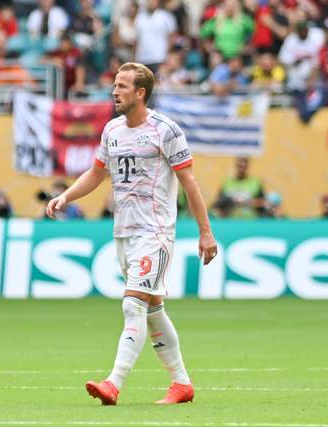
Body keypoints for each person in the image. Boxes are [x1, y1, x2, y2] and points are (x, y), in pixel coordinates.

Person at [46, 62, 217, 405]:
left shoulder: (165, 130)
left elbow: (189, 183)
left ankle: (113, 383)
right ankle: (182, 384)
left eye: (122, 86)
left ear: (140, 93)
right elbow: (96, 174)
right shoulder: (112, 130)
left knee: (132, 304)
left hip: (155, 232)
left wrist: (206, 232)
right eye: (115, 85)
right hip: (124, 233)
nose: (114, 91)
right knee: (152, 308)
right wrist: (66, 196)